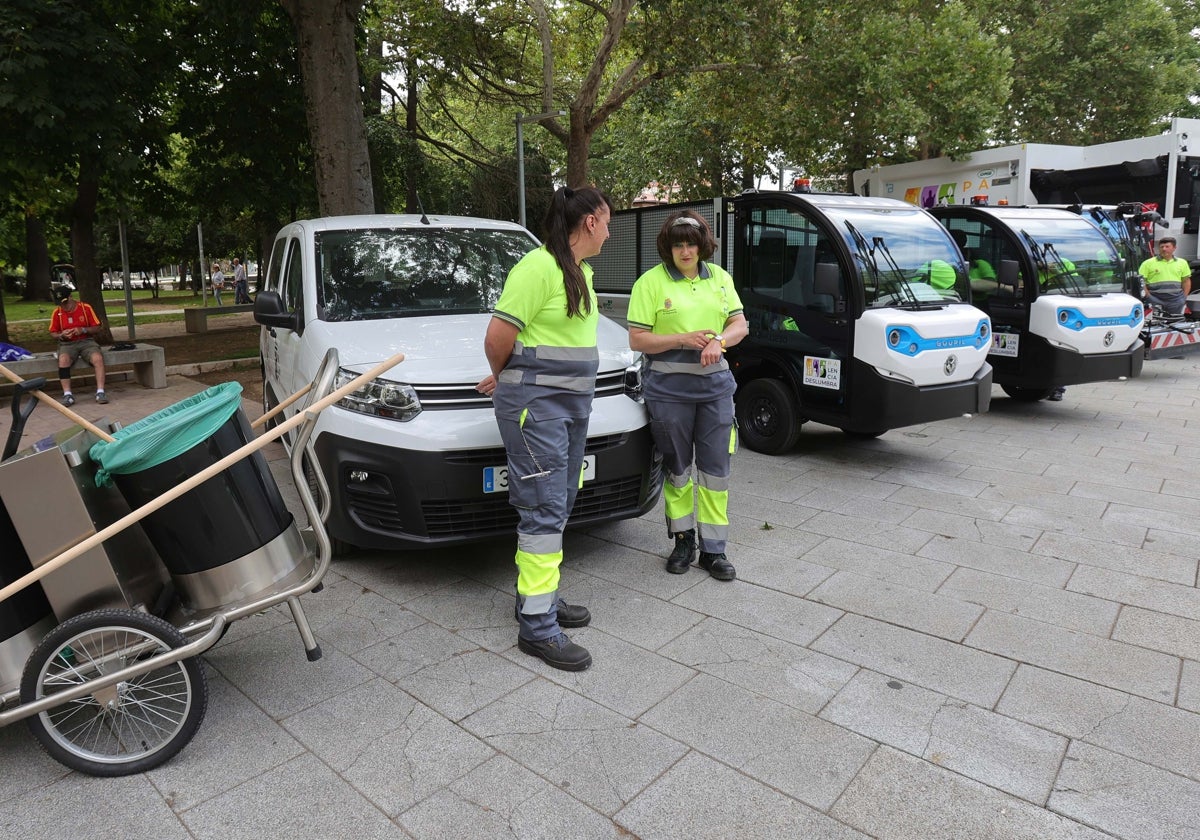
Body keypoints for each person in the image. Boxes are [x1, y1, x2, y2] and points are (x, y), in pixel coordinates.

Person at [475, 186, 612, 672]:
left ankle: (538, 599)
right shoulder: (538, 268)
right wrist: (512, 376)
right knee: (545, 509)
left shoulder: (580, 273)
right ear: (591, 222)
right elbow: (498, 338)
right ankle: (536, 628)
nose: (610, 230)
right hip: (539, 411)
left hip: (568, 408)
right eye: (608, 221)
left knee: (562, 501)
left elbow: (543, 345)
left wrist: (512, 371)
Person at [627, 210, 749, 581]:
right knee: (678, 470)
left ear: (702, 246)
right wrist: (681, 339)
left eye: (691, 244)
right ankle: (683, 541)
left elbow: (739, 323)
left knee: (715, 471)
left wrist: (719, 340)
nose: (685, 251)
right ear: (669, 247)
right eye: (678, 244)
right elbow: (637, 338)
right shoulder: (650, 282)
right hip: (668, 393)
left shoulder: (720, 279)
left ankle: (714, 551)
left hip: (715, 390)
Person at [48, 285, 108, 405]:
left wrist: (83, 330)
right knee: (63, 360)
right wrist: (61, 335)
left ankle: (100, 391)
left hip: (86, 341)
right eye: (61, 303)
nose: (64, 306)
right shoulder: (57, 312)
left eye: (65, 302)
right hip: (67, 344)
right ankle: (67, 394)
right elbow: (53, 332)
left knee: (98, 358)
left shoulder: (85, 308)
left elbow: (97, 327)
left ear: (71, 297)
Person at [1139, 236, 1191, 315]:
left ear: (1174, 248)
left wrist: (1183, 298)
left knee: (1176, 323)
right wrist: (1149, 297)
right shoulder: (1147, 263)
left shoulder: (1182, 263)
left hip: (1176, 301)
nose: (1164, 249)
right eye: (1161, 247)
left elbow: (1186, 281)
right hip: (1155, 300)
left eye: (1167, 246)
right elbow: (1141, 282)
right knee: (1155, 324)